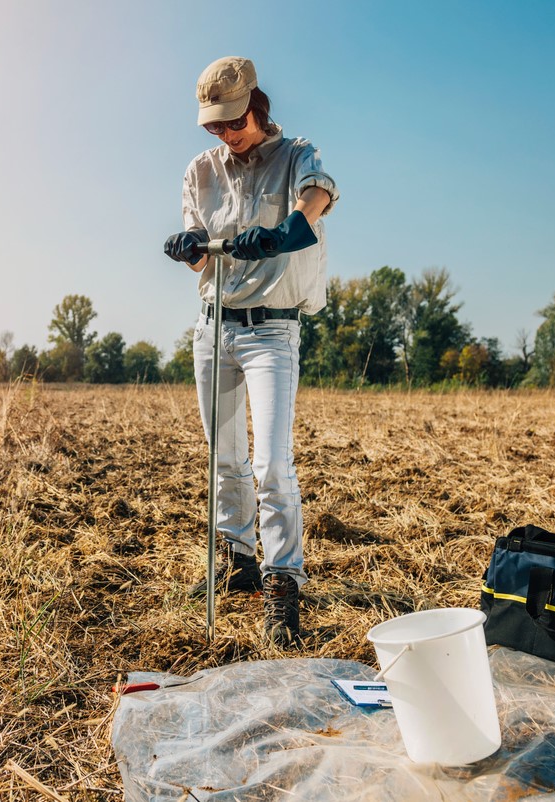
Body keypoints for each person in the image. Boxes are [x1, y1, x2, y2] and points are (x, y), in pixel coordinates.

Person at [163, 56, 338, 647]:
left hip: (271, 332)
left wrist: (285, 230)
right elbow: (205, 260)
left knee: (270, 464)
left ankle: (283, 583)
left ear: (255, 108)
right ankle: (235, 560)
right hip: (215, 327)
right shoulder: (200, 171)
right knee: (225, 458)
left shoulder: (296, 155)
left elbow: (315, 200)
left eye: (232, 123)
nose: (224, 134)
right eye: (213, 126)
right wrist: (188, 248)